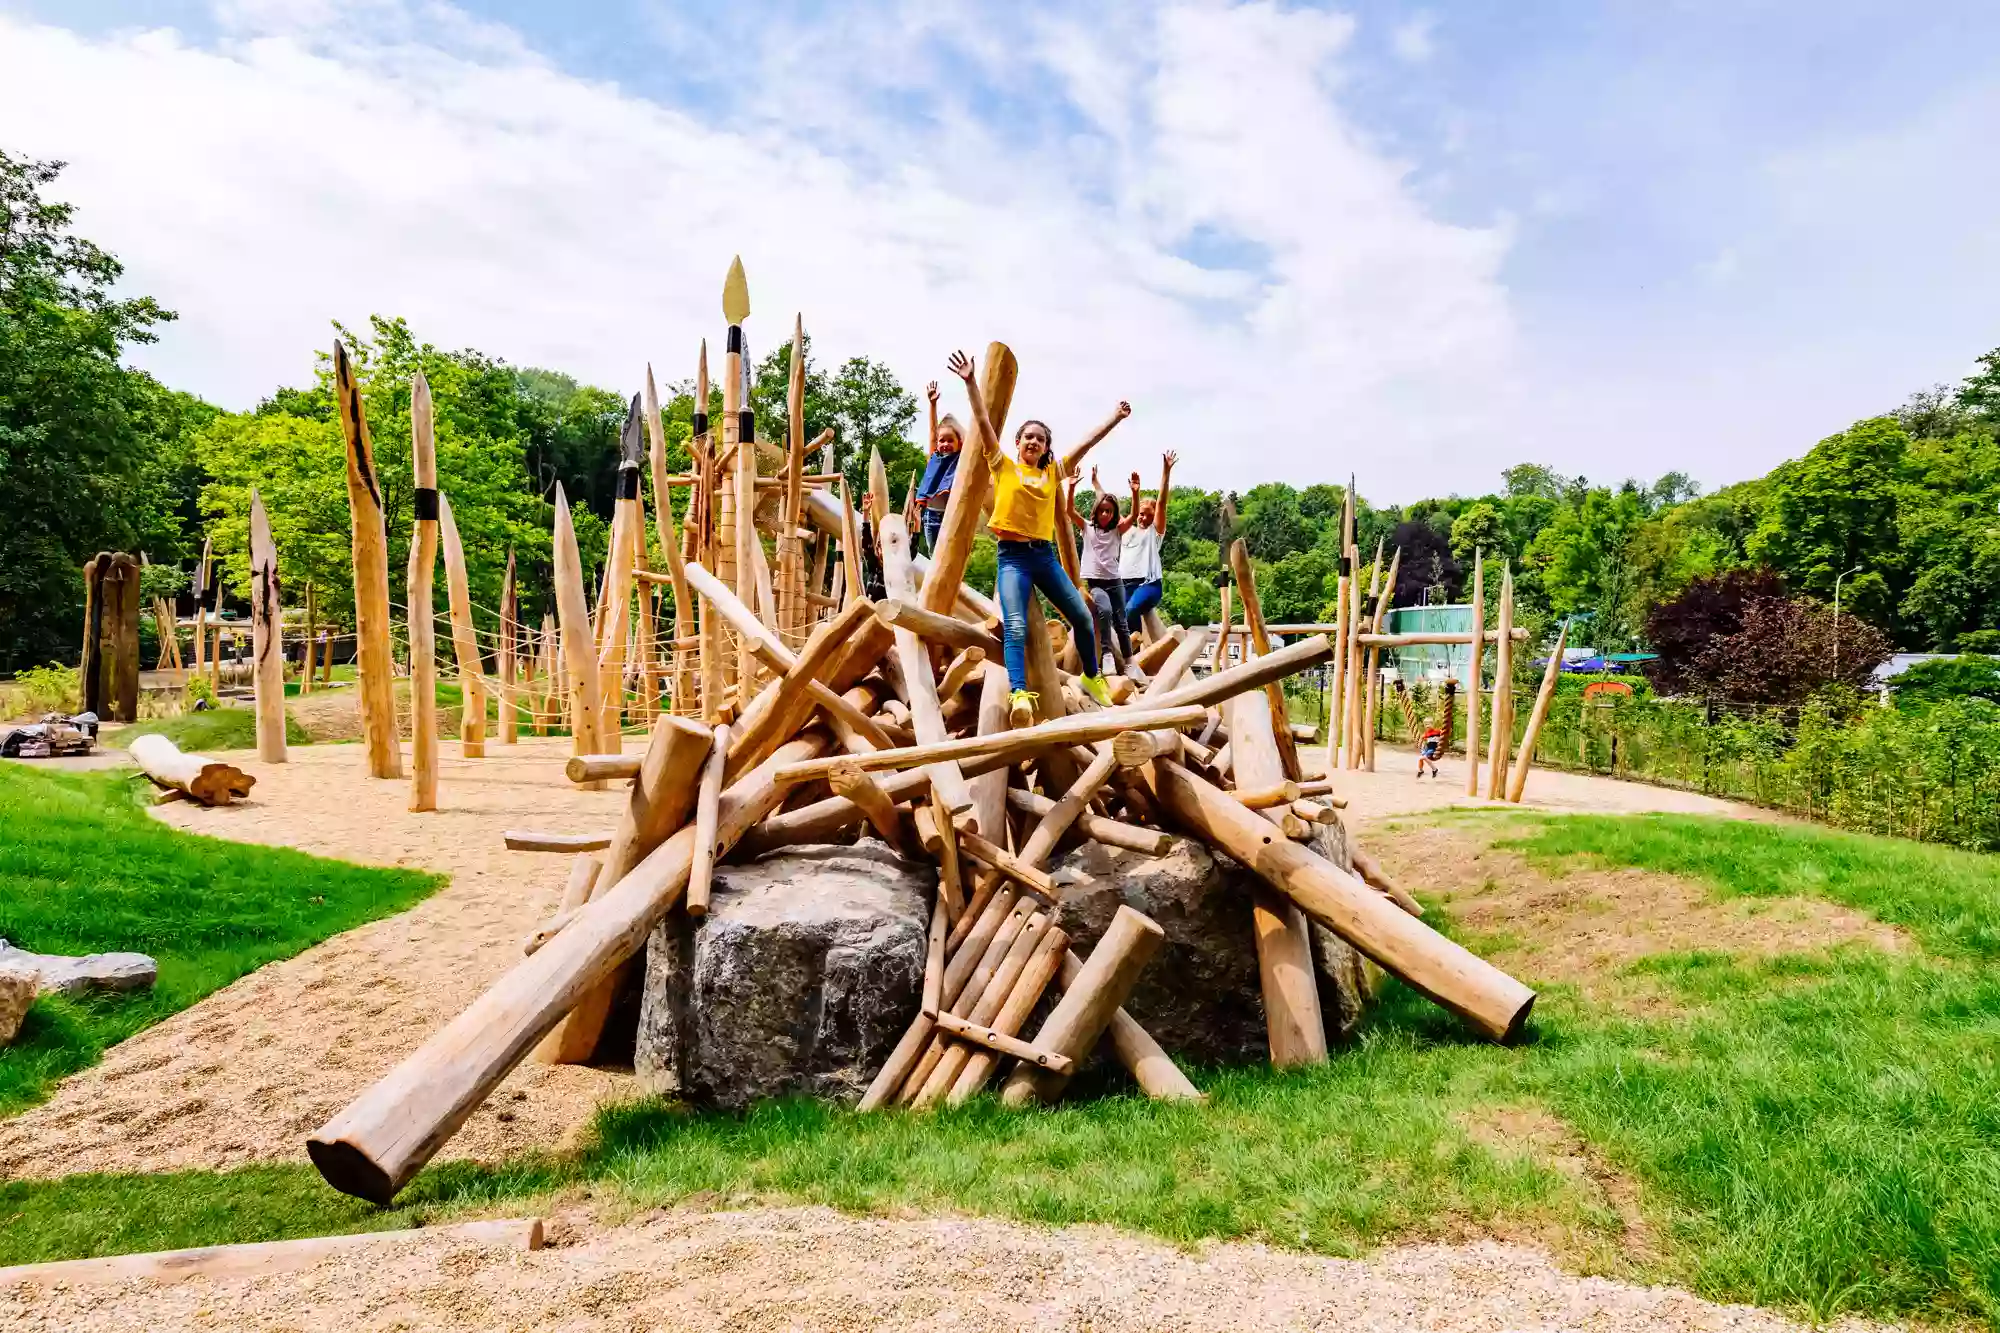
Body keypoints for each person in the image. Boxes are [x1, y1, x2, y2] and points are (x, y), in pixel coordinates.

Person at [946, 349, 1130, 725]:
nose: (1033, 442)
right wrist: (970, 383)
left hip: (1044, 557)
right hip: (1012, 557)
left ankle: (1092, 677)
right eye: (1028, 437)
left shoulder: (1052, 473)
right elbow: (982, 421)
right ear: (1017, 443)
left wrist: (1115, 417)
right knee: (1014, 626)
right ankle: (1019, 694)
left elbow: (1086, 443)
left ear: (1046, 448)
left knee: (1082, 615)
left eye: (1040, 439)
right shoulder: (1003, 465)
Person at [1071, 464, 1140, 669]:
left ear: (1114, 513)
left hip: (1115, 581)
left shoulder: (1117, 530)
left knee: (1122, 623)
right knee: (1106, 611)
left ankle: (1130, 663)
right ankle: (1107, 654)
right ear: (1096, 511)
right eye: (1101, 511)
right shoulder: (1087, 527)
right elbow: (1068, 510)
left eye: (1109, 512)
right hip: (1096, 583)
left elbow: (1133, 516)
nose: (1105, 515)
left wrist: (1135, 493)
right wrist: (1072, 488)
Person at [1121, 451, 1177, 633]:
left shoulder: (1155, 532)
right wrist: (1096, 483)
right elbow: (1109, 507)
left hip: (1149, 585)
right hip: (1125, 585)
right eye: (1141, 514)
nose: (1144, 518)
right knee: (1115, 617)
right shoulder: (1127, 530)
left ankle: (1133, 648)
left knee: (1130, 610)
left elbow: (1161, 502)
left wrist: (1166, 471)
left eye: (1149, 515)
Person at [913, 380, 965, 554]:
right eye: (942, 440)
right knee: (934, 556)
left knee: (951, 557)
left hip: (951, 516)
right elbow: (933, 432)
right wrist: (933, 405)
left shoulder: (960, 460)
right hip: (931, 516)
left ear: (960, 443)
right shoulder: (935, 457)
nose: (945, 444)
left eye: (951, 440)